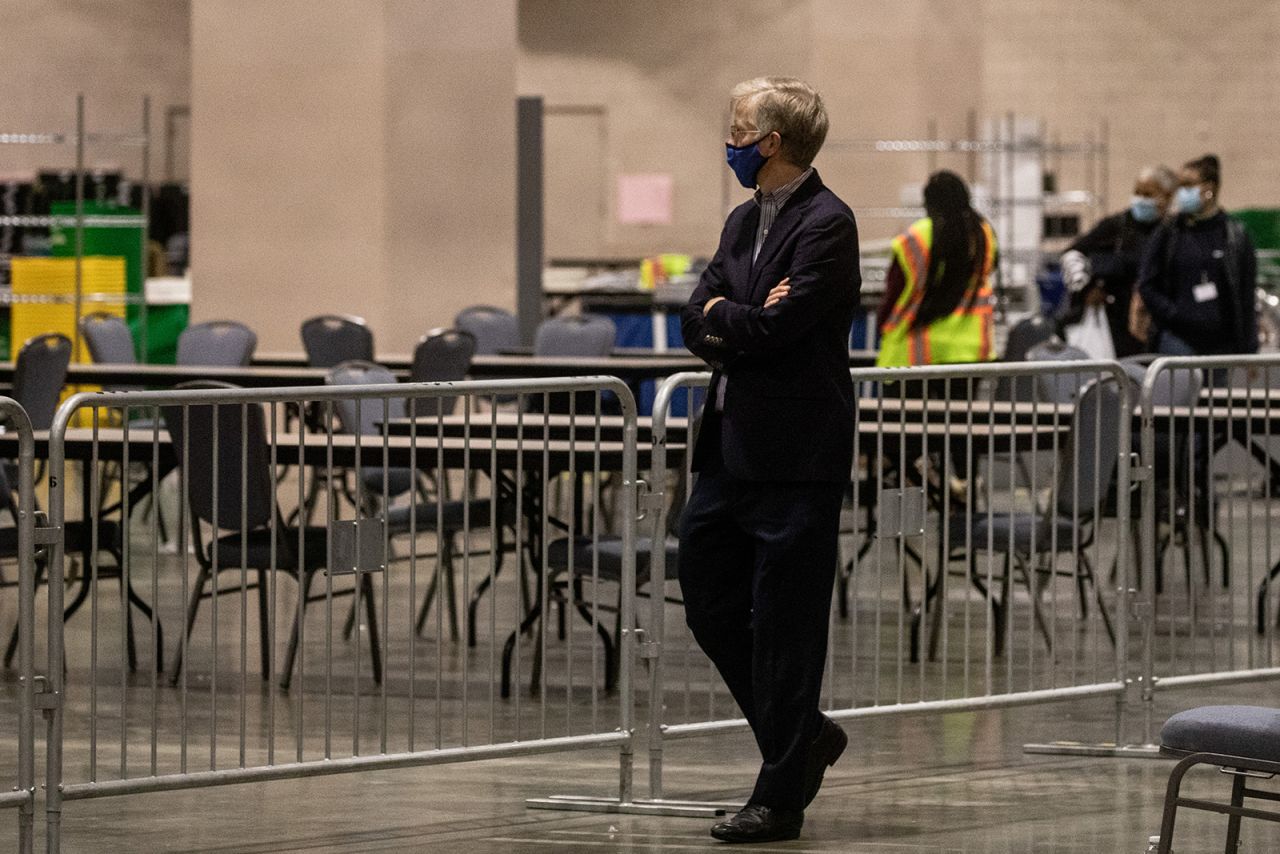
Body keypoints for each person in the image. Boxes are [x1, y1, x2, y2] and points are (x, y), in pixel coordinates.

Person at [679, 76, 859, 844]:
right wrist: (733, 313)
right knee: (709, 602)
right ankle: (804, 737)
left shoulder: (829, 223)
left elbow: (777, 332)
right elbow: (699, 317)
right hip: (726, 452)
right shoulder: (740, 220)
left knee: (788, 629)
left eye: (740, 127)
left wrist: (734, 314)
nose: (731, 137)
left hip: (795, 457)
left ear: (772, 142)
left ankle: (780, 797)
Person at [875, 170, 998, 373]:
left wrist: (883, 324)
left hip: (915, 351)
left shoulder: (915, 237)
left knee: (906, 406)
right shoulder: (982, 232)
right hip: (970, 350)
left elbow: (894, 291)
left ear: (928, 203)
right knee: (960, 407)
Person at [1138, 154, 1258, 357]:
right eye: (1180, 185)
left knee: (1218, 389)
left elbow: (1245, 295)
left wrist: (1249, 348)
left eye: (1188, 185)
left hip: (1221, 345)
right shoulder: (1168, 231)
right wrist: (1173, 314)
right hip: (1176, 339)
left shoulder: (1235, 235)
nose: (1181, 192)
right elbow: (1146, 284)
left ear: (1209, 188)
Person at [1058, 165, 1177, 356]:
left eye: (1149, 194)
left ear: (1168, 197)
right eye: (1138, 192)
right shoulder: (1116, 226)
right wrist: (1086, 288)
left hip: (1160, 323)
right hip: (1116, 323)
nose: (1141, 199)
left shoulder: (1174, 231)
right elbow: (1072, 254)